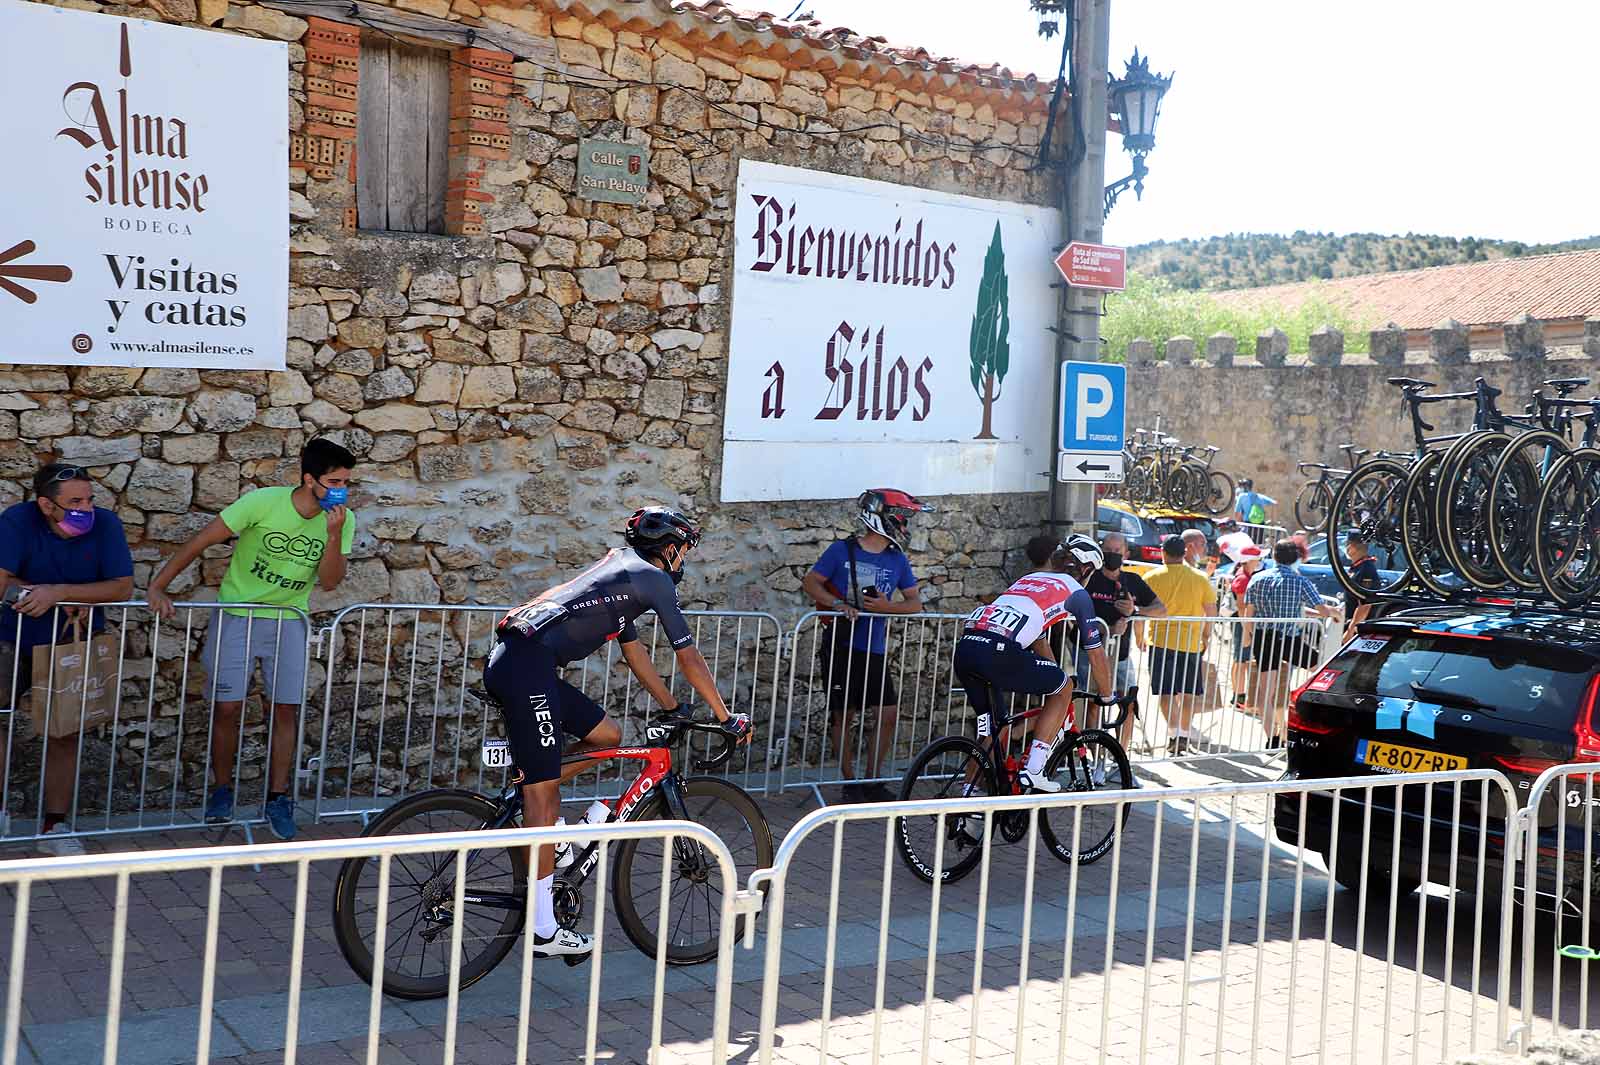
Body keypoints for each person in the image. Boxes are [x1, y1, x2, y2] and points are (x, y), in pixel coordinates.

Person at [486, 507, 750, 961]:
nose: (684, 559)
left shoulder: (621, 576)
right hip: (525, 668)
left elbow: (636, 656)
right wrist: (725, 716)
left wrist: (672, 707)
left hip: (527, 664)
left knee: (607, 736)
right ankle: (544, 929)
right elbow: (689, 658)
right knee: (543, 797)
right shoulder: (653, 578)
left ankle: (554, 819)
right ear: (669, 548)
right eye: (685, 548)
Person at [147, 438, 358, 841]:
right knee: (227, 707)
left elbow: (330, 582)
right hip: (237, 617)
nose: (341, 489)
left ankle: (278, 798)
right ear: (309, 478)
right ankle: (222, 791)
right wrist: (157, 586)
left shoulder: (342, 519)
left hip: (289, 620)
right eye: (334, 480)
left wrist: (332, 536)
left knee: (286, 710)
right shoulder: (263, 502)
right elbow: (200, 541)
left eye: (347, 481)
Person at [0, 464, 134, 856]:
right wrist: (31, 594)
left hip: (73, 643)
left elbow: (122, 587)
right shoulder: (17, 521)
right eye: (74, 502)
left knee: (66, 731)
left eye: (89, 499)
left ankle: (54, 824)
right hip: (11, 637)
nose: (85, 508)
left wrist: (60, 593)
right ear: (46, 504)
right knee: (0, 722)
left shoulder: (105, 525)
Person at [956, 534, 1117, 806]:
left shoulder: (1028, 579)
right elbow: (1096, 652)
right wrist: (1107, 695)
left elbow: (1038, 638)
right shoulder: (1076, 592)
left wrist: (1050, 671)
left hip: (967, 648)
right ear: (1087, 569)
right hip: (997, 650)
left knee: (992, 731)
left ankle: (966, 801)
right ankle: (1034, 769)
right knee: (1064, 685)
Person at [801, 489, 929, 802]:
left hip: (875, 649)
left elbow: (914, 604)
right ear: (881, 516)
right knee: (844, 714)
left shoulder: (896, 559)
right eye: (901, 516)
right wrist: (837, 604)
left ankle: (873, 780)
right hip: (842, 643)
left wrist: (886, 607)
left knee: (886, 713)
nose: (905, 524)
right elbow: (810, 582)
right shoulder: (841, 550)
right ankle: (850, 782)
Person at [1243, 539, 1339, 747]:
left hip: (1264, 637)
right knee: (1321, 669)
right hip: (1289, 638)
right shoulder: (1300, 581)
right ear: (1295, 557)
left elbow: (1248, 614)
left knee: (1264, 692)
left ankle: (1272, 738)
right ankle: (1309, 708)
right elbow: (1321, 610)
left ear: (1274, 556)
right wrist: (1334, 613)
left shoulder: (1258, 578)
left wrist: (1249, 636)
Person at [1079, 532, 1166, 745]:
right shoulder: (1089, 578)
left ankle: (1121, 757)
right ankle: (1096, 758)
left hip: (1122, 655)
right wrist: (1108, 628)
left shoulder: (1133, 581)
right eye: (1108, 550)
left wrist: (1134, 609)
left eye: (1117, 551)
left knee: (1128, 703)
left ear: (1126, 553)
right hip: (1091, 654)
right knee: (1095, 703)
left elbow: (1161, 609)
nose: (1112, 555)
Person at [1141, 535, 1217, 755]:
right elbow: (1211, 611)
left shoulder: (1152, 577)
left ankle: (1174, 734)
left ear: (1163, 553)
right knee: (1188, 694)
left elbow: (1142, 608)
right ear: (1185, 553)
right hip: (1190, 643)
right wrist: (1206, 635)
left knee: (1165, 693)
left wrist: (1139, 636)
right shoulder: (1200, 578)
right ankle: (1183, 734)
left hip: (1160, 642)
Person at [1227, 544, 1265, 711]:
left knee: (1240, 660)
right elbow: (1242, 607)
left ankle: (1238, 696)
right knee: (1241, 660)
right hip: (1243, 623)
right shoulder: (1243, 579)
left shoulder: (1245, 576)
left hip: (1243, 622)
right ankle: (1239, 698)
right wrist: (1247, 631)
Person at [1343, 534, 1382, 638]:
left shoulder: (1366, 569)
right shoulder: (1358, 567)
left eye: (1347, 544)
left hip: (1359, 629)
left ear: (1352, 547)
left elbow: (1365, 604)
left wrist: (1350, 632)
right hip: (1352, 623)